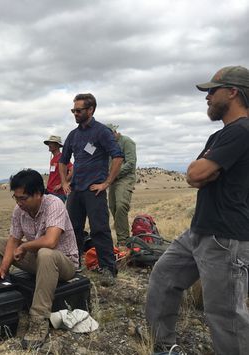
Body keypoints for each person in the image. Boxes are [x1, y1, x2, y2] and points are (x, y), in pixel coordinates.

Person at [145, 66, 249, 355]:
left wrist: (204, 171)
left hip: (225, 238)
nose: (207, 97)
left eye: (212, 91)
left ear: (232, 92)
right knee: (164, 278)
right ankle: (164, 347)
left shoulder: (241, 131)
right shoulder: (221, 136)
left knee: (226, 315)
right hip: (200, 230)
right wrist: (202, 172)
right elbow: (193, 175)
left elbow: (199, 172)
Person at [0, 169, 79, 349]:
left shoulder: (54, 204)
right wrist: (3, 268)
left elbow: (51, 242)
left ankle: (38, 320)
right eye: (16, 198)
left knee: (45, 252)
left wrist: (25, 246)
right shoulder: (19, 210)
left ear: (38, 194)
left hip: (64, 264)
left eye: (23, 198)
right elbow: (13, 240)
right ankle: (2, 300)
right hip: (39, 261)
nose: (19, 203)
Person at [59, 93, 124, 285]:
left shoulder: (102, 132)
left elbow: (118, 157)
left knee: (99, 229)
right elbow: (63, 161)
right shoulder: (73, 134)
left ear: (91, 110)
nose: (75, 114)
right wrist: (64, 183)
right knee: (72, 230)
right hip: (76, 190)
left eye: (78, 110)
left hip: (94, 190)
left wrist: (106, 183)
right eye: (73, 110)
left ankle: (108, 270)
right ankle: (73, 264)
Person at [106, 124, 137, 245]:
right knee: (113, 207)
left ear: (114, 132)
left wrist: (114, 174)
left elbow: (130, 163)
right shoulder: (109, 144)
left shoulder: (127, 142)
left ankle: (123, 241)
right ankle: (122, 238)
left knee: (121, 205)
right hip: (113, 179)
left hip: (125, 178)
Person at [43, 135, 73, 202]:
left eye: (51, 143)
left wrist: (62, 184)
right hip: (50, 191)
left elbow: (73, 170)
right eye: (49, 143)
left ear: (57, 145)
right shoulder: (53, 159)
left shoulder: (62, 158)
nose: (49, 145)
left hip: (58, 193)